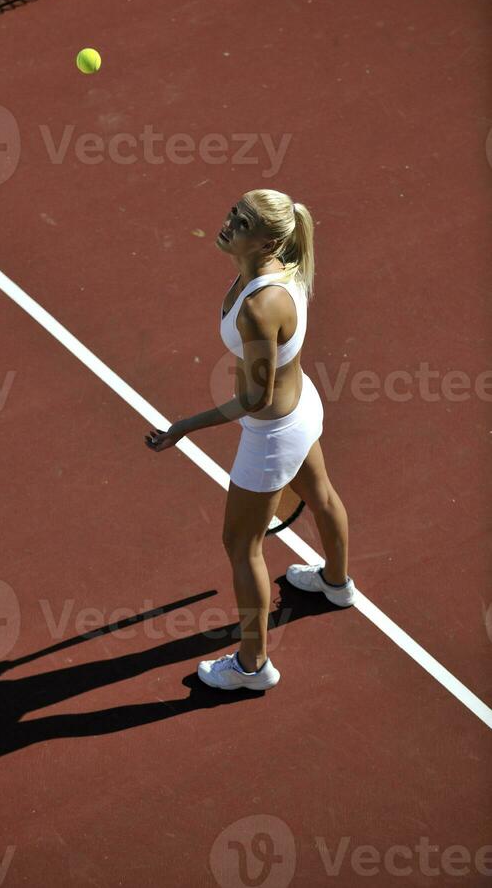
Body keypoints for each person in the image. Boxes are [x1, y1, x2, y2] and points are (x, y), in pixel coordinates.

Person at [145, 189, 356, 691]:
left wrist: (185, 426)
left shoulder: (258, 308)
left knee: (242, 546)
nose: (229, 223)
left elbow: (255, 400)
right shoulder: (283, 268)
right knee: (321, 494)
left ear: (269, 242)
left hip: (272, 435)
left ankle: (252, 665)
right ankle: (336, 584)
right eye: (234, 213)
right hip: (301, 409)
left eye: (243, 223)